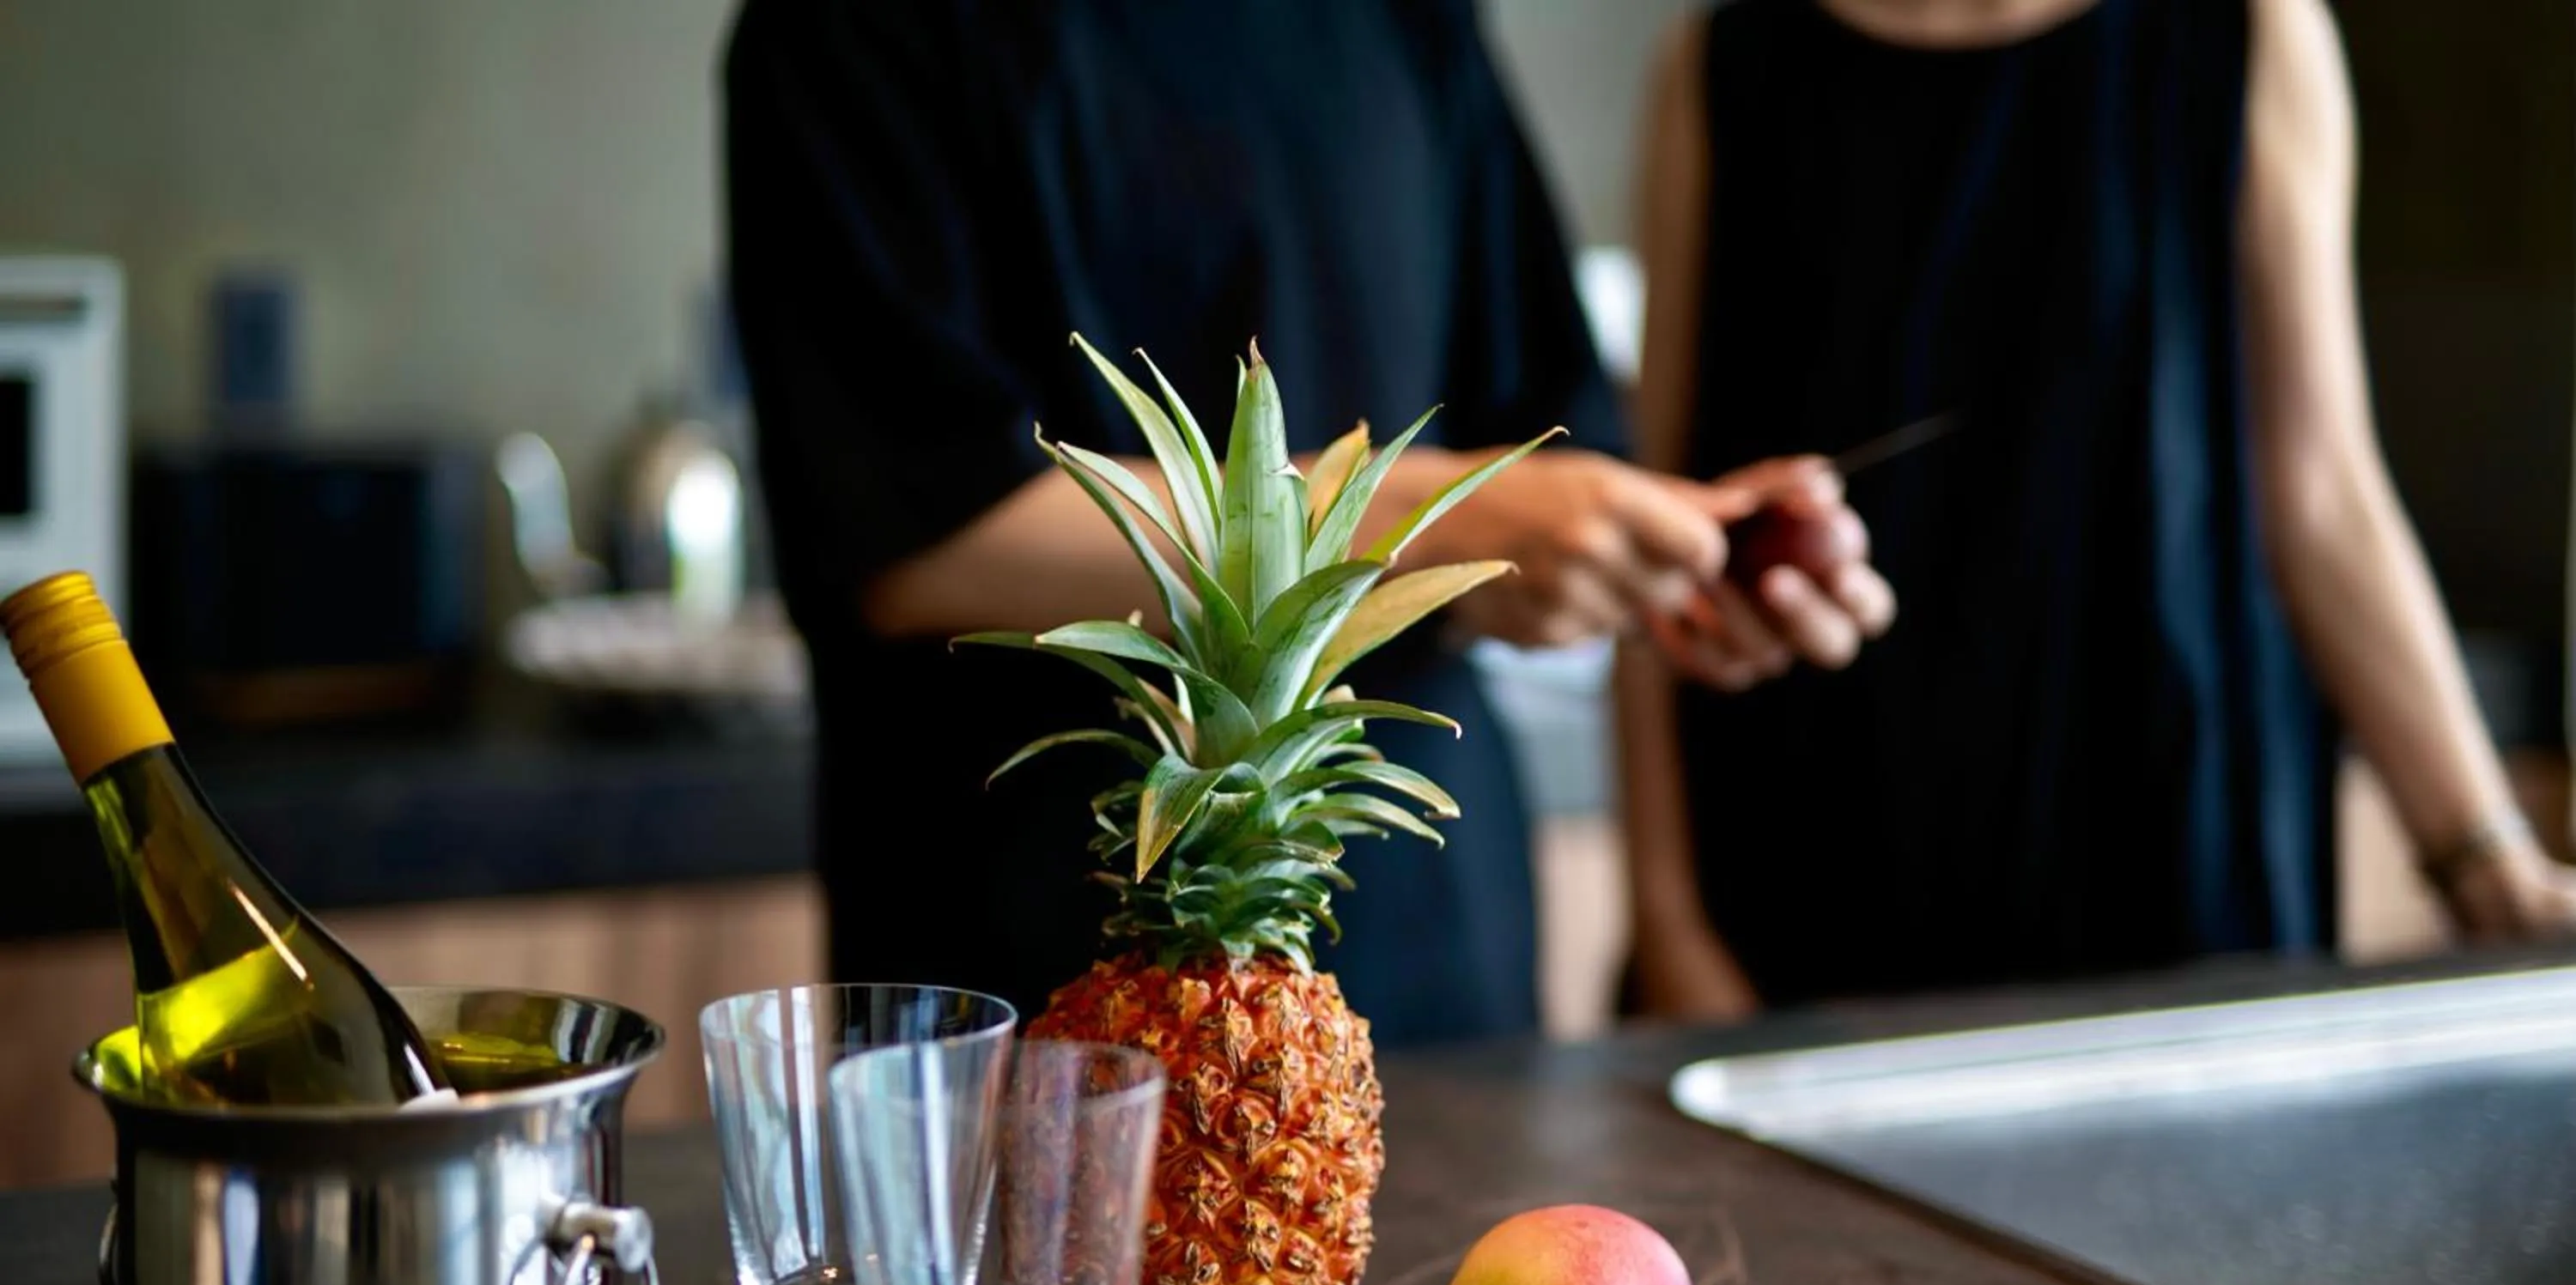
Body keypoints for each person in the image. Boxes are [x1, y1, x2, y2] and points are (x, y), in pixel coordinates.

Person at [722, 0, 1890, 1043]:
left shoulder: (1407, 19)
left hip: (1434, 958)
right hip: (1031, 974)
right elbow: (917, 543)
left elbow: (1543, 436)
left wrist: (1684, 557)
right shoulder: (848, 29)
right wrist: (1422, 528)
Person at [1619, 0, 2576, 1019]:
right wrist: (1670, 917)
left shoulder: (2246, 32)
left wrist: (2485, 859)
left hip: (2175, 836)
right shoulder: (1727, 59)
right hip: (1813, 857)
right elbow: (1658, 514)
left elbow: (2325, 499)